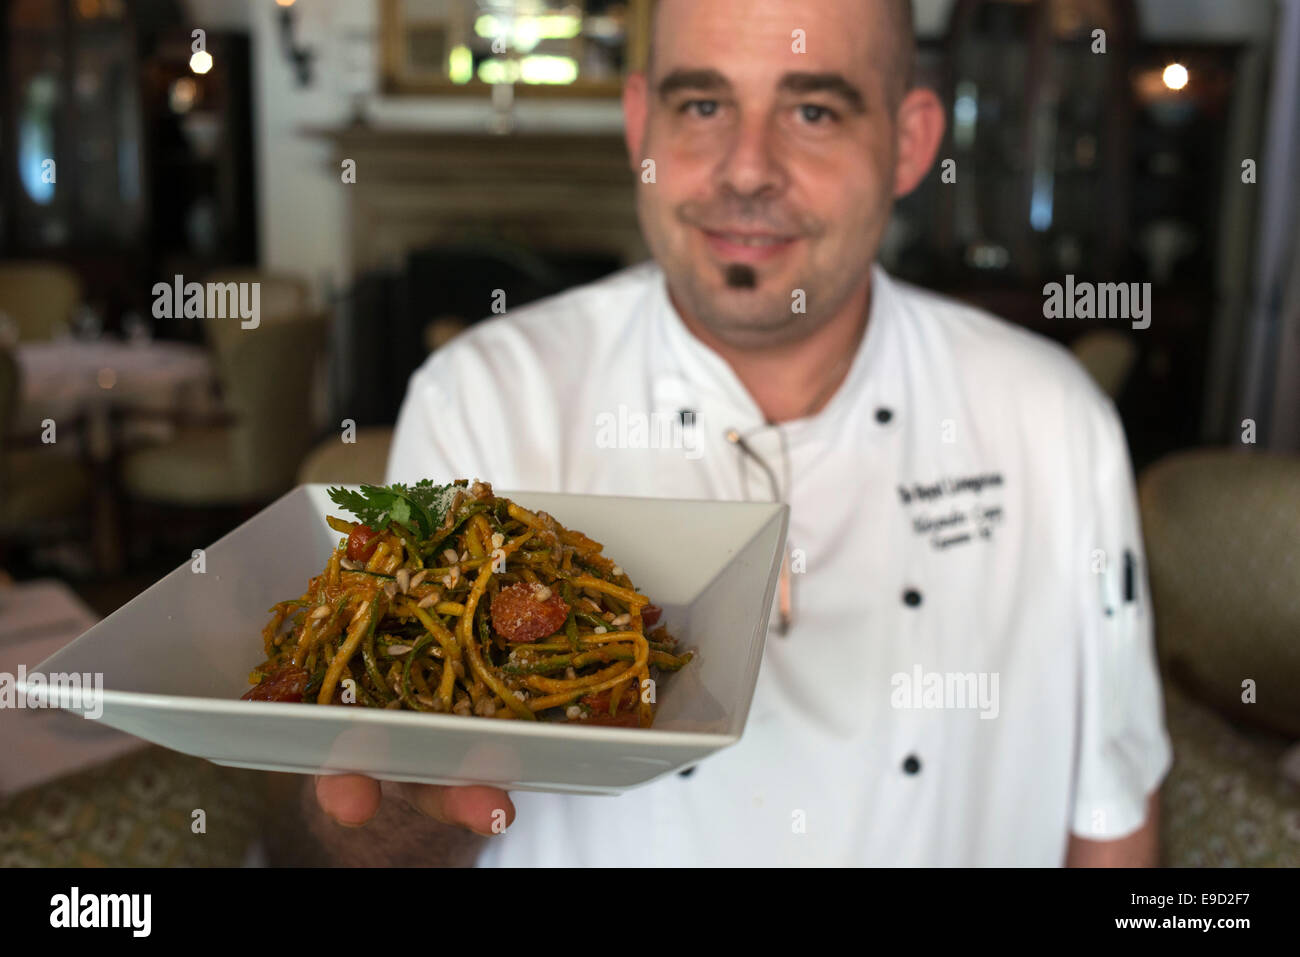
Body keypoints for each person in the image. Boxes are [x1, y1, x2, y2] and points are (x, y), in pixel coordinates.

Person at [295, 0, 1172, 866]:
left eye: (813, 110)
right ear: (641, 123)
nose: (747, 169)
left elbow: (1110, 812)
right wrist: (395, 803)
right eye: (703, 106)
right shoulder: (487, 394)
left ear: (910, 142)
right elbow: (379, 812)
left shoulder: (1049, 418)